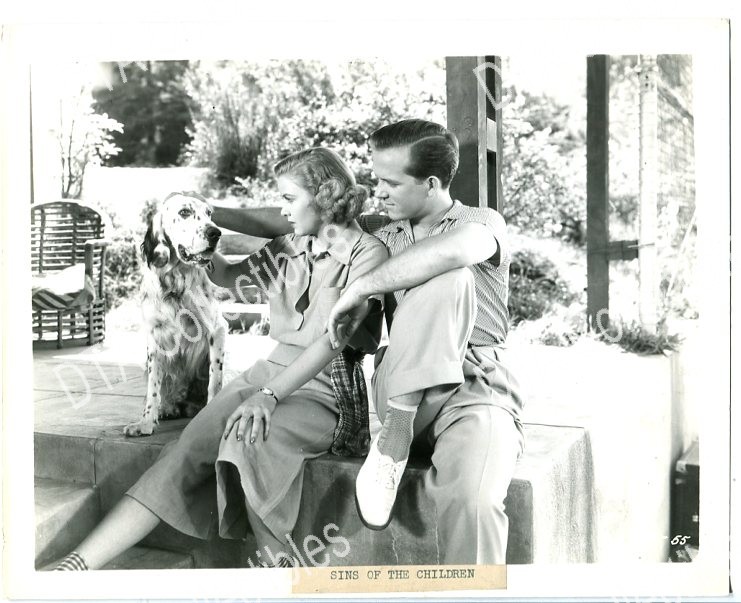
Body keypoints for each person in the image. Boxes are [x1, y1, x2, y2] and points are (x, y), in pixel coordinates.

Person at [53, 147, 388, 571]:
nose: (282, 211)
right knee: (186, 448)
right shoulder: (289, 245)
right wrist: (196, 242)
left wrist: (268, 396)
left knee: (244, 441)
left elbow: (331, 342)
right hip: (267, 372)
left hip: (326, 388)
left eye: (289, 199)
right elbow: (230, 277)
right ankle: (77, 564)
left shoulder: (368, 254)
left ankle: (279, 575)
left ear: (323, 196)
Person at [212, 119, 525, 565]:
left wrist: (361, 287)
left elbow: (453, 251)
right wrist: (212, 212)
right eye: (377, 179)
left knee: (474, 500)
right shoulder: (380, 229)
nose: (377, 191)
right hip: (400, 383)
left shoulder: (480, 222)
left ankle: (473, 594)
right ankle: (395, 434)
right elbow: (292, 216)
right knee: (446, 279)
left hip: (475, 390)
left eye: (390, 183)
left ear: (431, 183)